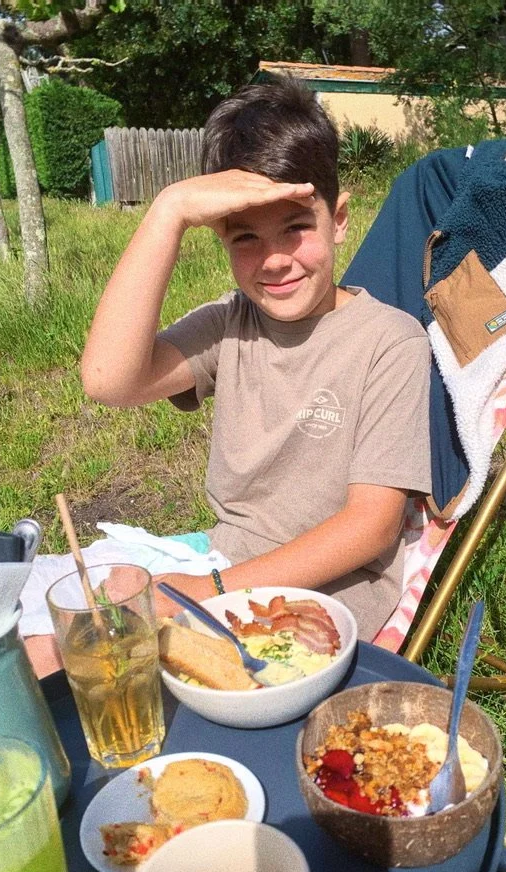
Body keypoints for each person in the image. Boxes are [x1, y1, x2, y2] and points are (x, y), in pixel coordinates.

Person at [81, 77, 431, 642]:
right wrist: (168, 212)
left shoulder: (391, 342)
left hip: (327, 596)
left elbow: (370, 528)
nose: (274, 260)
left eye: (295, 228)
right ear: (218, 234)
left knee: (129, 670)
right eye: (245, 238)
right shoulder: (231, 322)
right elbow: (107, 381)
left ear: (338, 219)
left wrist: (212, 594)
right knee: (63, 639)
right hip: (222, 561)